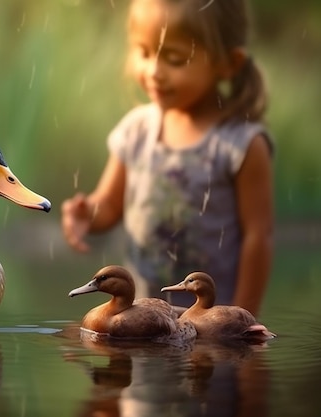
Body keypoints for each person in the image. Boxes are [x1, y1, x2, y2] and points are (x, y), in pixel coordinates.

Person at [61, 0, 273, 315]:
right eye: (144, 53)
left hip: (209, 324)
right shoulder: (136, 131)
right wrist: (85, 215)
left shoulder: (241, 144)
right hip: (144, 319)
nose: (154, 71)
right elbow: (108, 206)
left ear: (228, 63)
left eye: (174, 59)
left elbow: (258, 238)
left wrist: (240, 320)